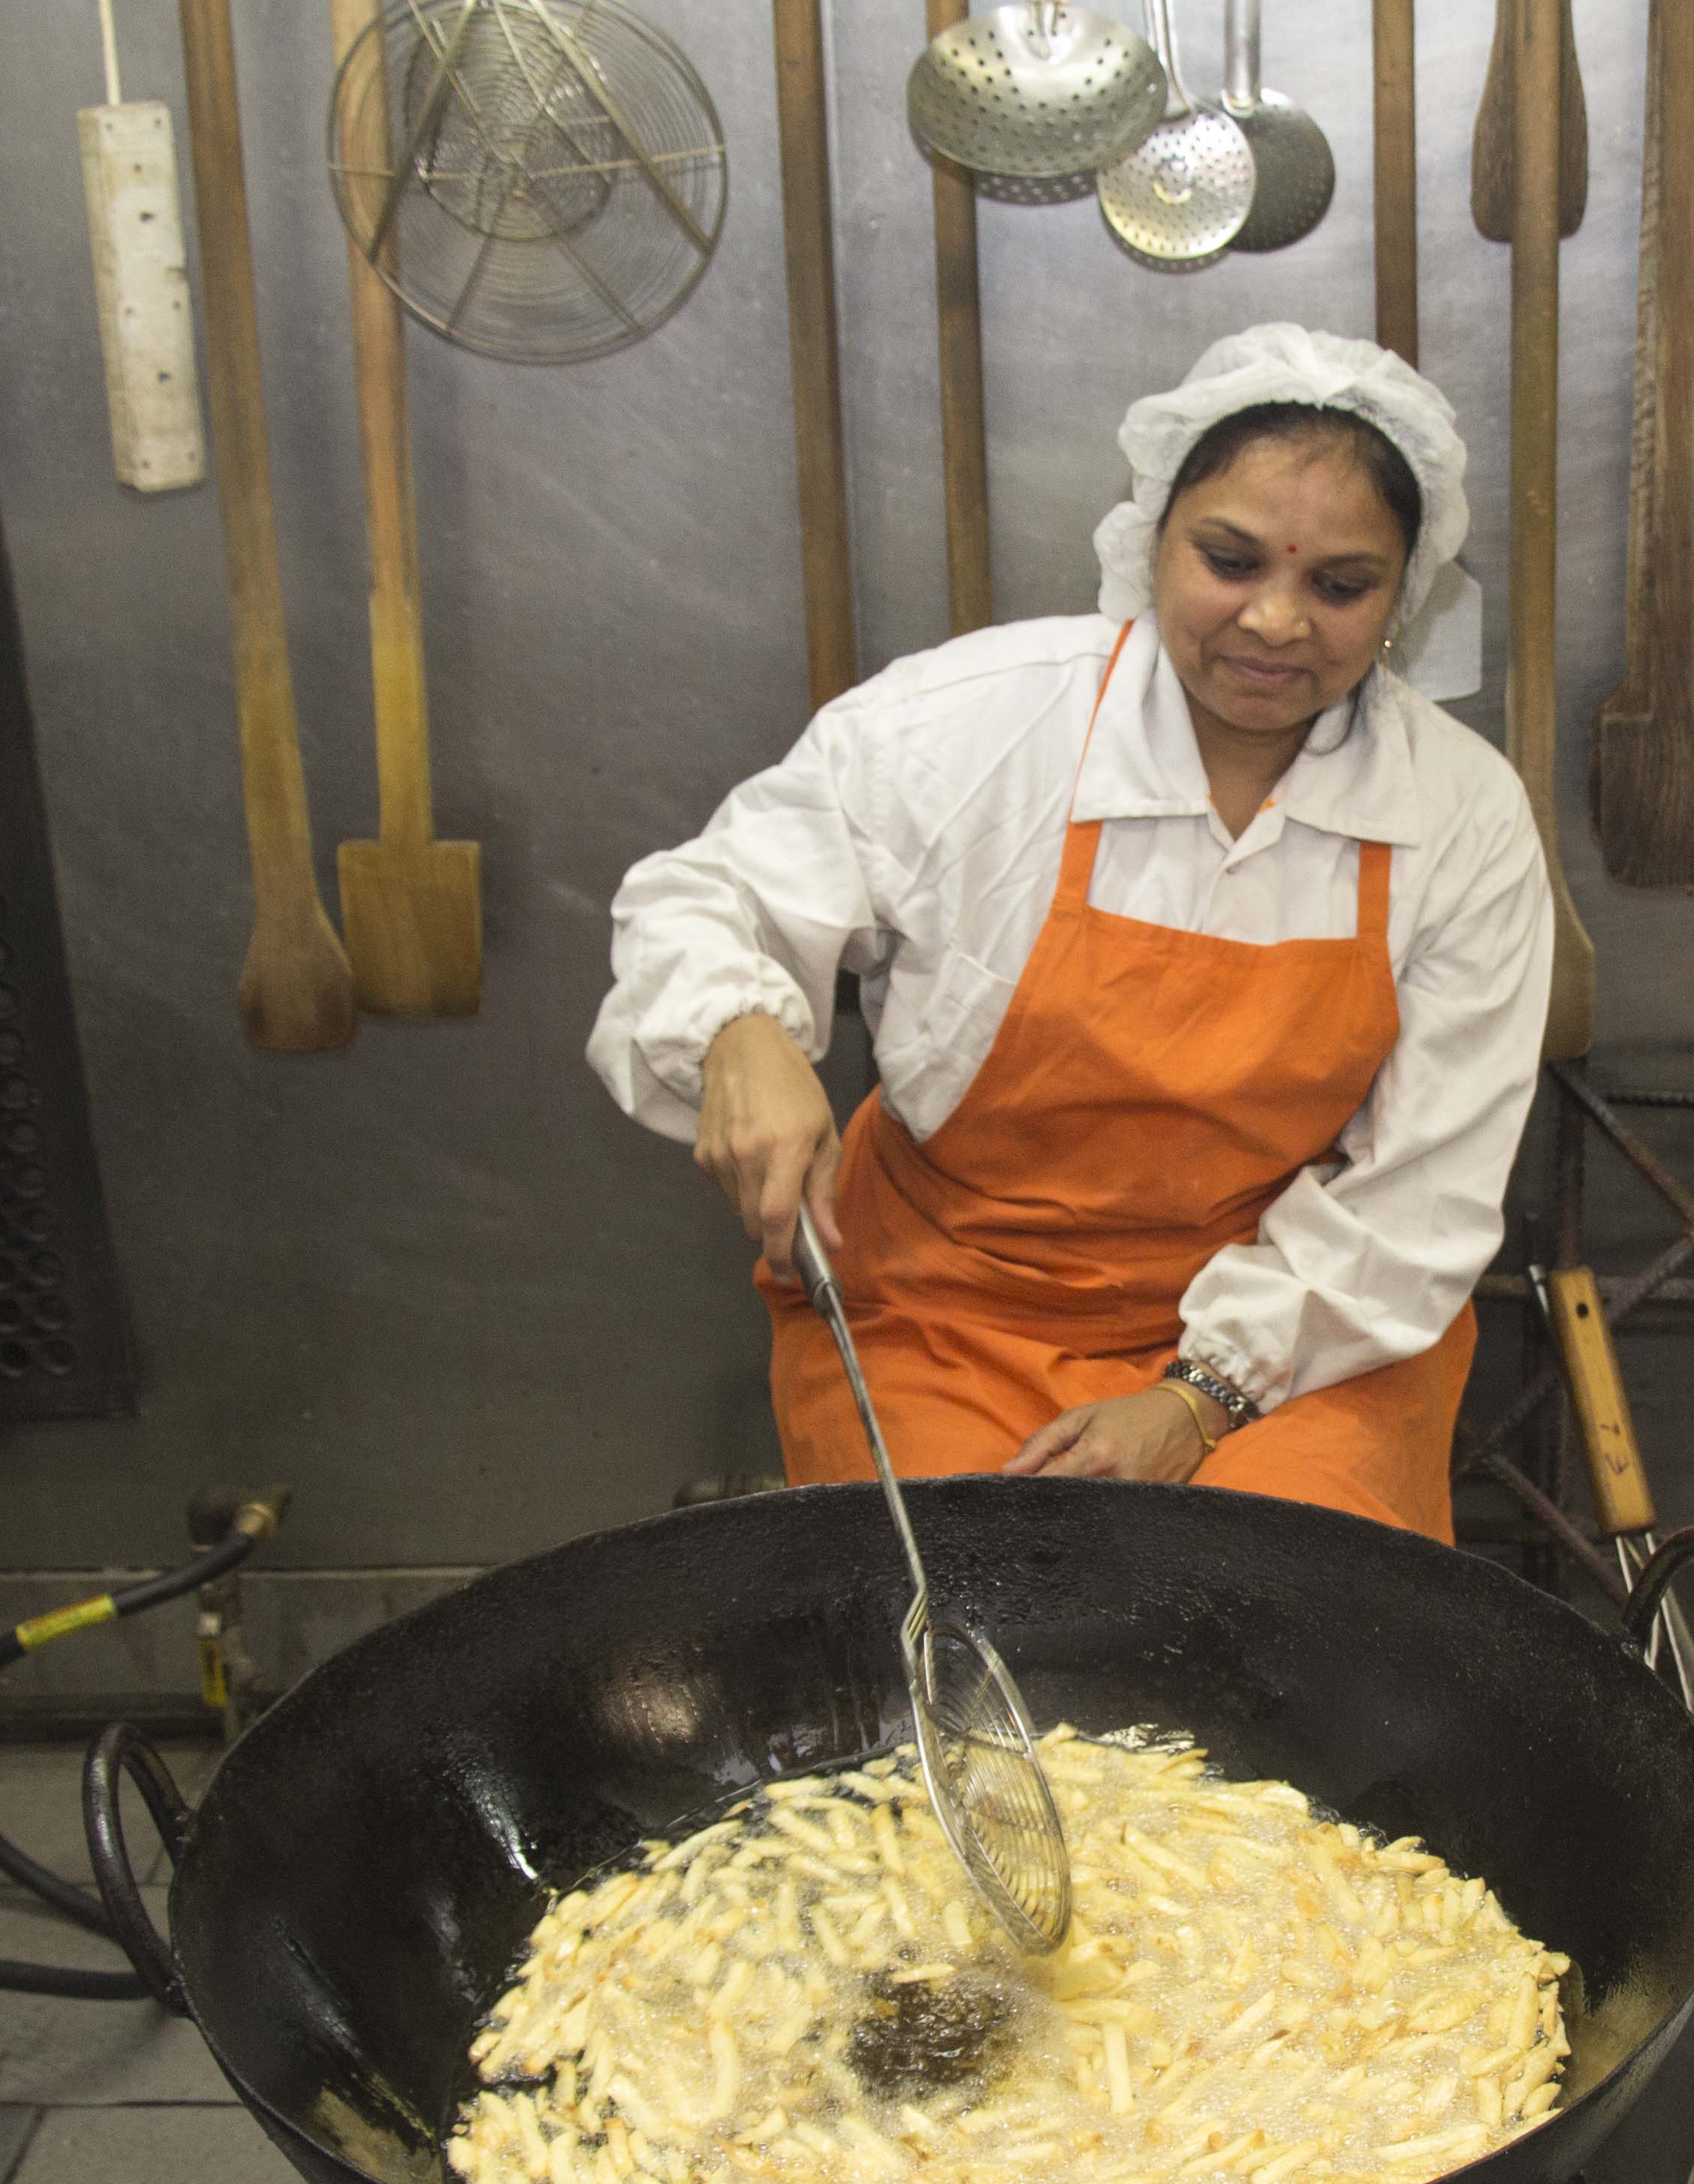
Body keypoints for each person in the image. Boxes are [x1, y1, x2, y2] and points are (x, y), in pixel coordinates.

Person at [586, 325, 1552, 1541]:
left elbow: (1426, 1190)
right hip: (945, 1310)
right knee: (968, 1624)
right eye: (1230, 559)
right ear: (1153, 537)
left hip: (1306, 1325)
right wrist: (736, 1027)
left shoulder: (1459, 816)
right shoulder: (972, 724)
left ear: (1405, 596)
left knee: (1286, 1617)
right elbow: (703, 896)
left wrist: (1202, 1399)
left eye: (1339, 586)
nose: (1272, 621)